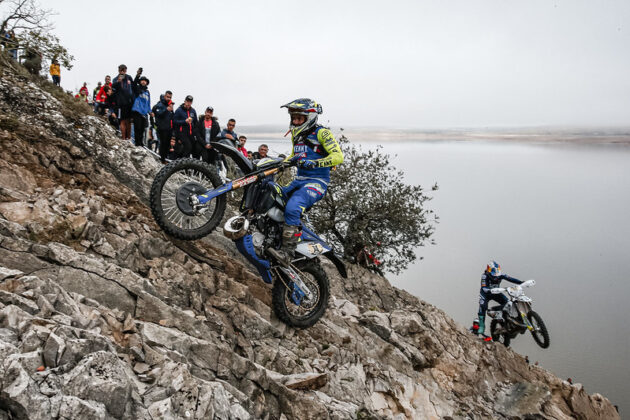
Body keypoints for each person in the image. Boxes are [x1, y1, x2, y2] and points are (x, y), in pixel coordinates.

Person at [267, 98, 344, 265]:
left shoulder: (322, 133)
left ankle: (287, 255)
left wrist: (315, 163)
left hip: (316, 182)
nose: (295, 121)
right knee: (271, 196)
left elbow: (338, 157)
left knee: (293, 208)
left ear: (309, 118)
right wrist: (279, 163)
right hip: (299, 180)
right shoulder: (297, 134)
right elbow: (295, 156)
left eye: (299, 118)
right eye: (293, 118)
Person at [475, 261, 523, 336]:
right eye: (494, 274)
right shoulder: (484, 276)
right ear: (489, 271)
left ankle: (508, 321)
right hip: (486, 294)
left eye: (497, 274)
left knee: (508, 304)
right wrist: (490, 290)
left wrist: (520, 282)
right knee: (482, 306)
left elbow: (510, 278)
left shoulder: (500, 275)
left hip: (496, 292)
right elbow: (483, 287)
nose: (496, 276)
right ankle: (482, 326)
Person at [111, 64, 135, 140]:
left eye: (124, 70)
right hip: (120, 103)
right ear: (119, 70)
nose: (122, 71)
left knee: (129, 120)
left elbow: (133, 87)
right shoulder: (115, 79)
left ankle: (129, 138)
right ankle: (124, 138)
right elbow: (113, 87)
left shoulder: (129, 77)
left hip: (129, 102)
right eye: (121, 70)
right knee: (122, 120)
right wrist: (118, 81)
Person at [152, 90, 175, 163]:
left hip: (169, 128)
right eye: (167, 97)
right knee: (162, 143)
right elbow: (158, 114)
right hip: (161, 128)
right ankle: (161, 159)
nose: (168, 98)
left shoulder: (170, 105)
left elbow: (172, 117)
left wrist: (171, 110)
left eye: (170, 97)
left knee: (167, 145)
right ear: (164, 96)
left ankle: (164, 159)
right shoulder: (159, 104)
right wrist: (166, 109)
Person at [131, 72, 151, 147]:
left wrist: (150, 111)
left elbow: (148, 103)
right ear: (140, 82)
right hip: (137, 110)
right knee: (137, 128)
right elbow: (133, 84)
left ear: (146, 83)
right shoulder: (137, 88)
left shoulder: (147, 92)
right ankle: (137, 143)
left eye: (145, 80)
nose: (143, 81)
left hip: (144, 113)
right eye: (142, 80)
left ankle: (141, 143)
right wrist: (137, 75)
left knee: (142, 129)